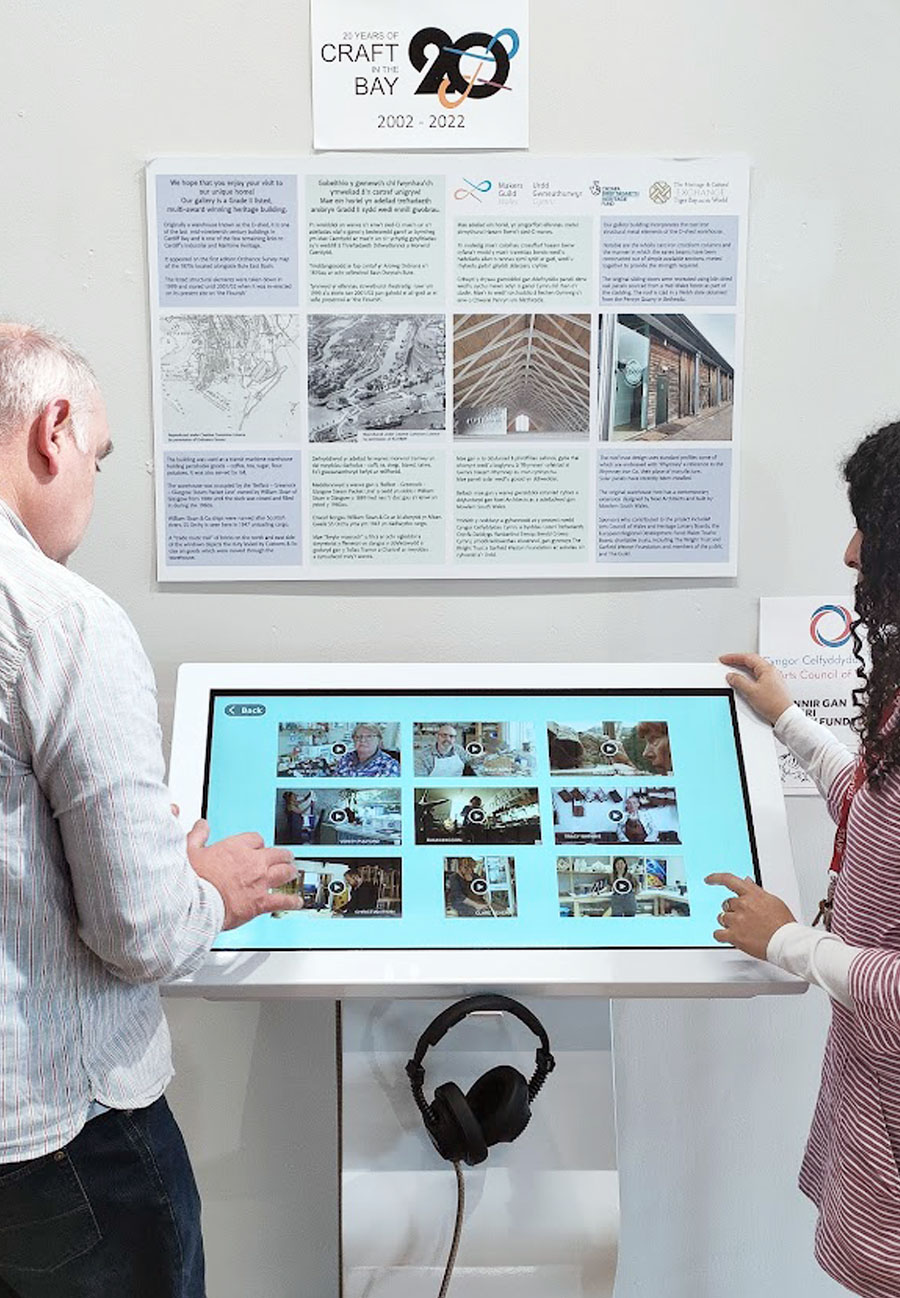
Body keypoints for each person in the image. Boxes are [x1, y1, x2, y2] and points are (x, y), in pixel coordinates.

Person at [0, 324, 301, 1298]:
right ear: (54, 430)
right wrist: (206, 886)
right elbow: (140, 925)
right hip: (64, 1144)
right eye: (98, 451)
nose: (92, 475)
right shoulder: (63, 622)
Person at [706, 421, 900, 1298]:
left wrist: (787, 943)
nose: (852, 551)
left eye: (872, 527)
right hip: (871, 1106)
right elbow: (876, 805)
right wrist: (786, 718)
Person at [332, 722, 400, 777]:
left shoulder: (389, 765)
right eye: (358, 737)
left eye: (369, 736)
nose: (363, 740)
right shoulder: (345, 758)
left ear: (379, 740)